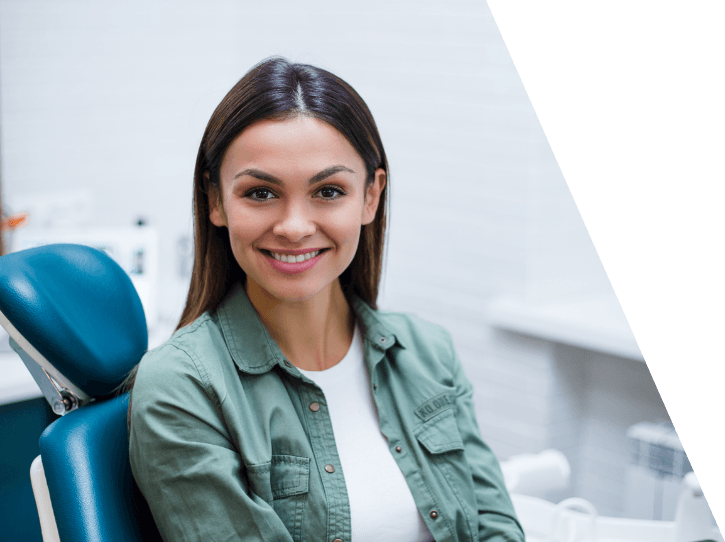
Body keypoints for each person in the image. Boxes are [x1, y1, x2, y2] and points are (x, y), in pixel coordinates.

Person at [127, 56, 525, 542]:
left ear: (371, 196)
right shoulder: (181, 387)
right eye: (260, 193)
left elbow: (496, 528)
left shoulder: (427, 351)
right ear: (215, 200)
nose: (294, 227)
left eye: (329, 190)